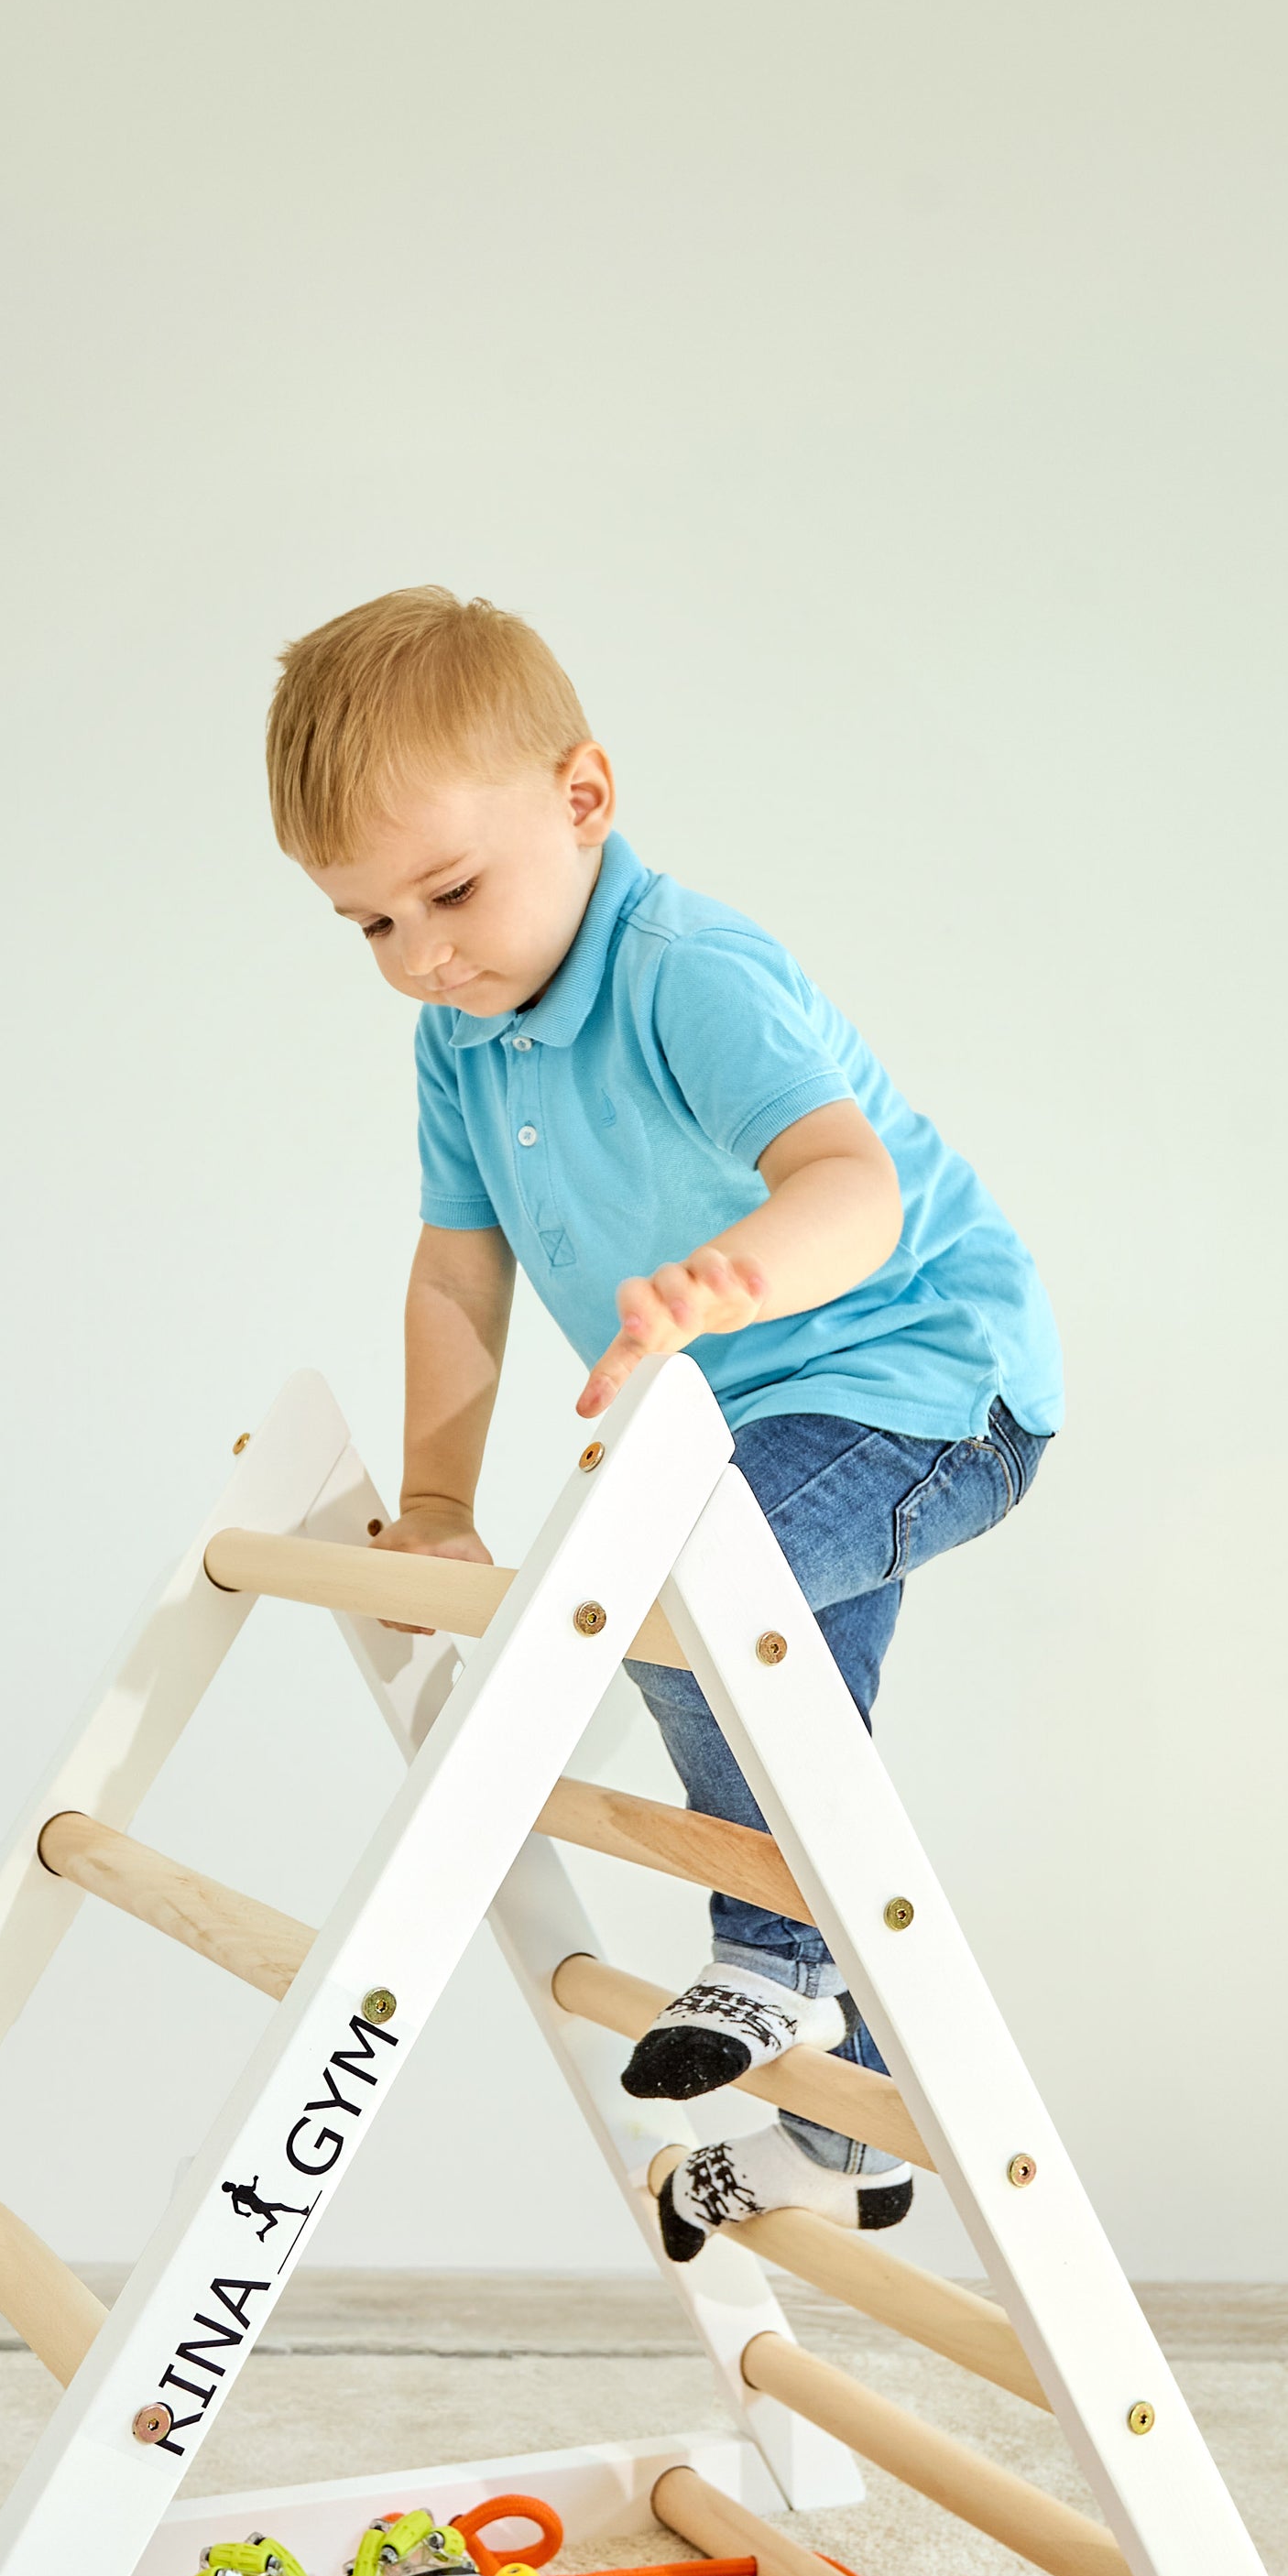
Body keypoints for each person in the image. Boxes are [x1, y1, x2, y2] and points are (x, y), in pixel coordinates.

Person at [266, 587, 1061, 2256]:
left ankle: (773, 1967)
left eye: (453, 893)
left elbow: (851, 1182)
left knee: (671, 1586)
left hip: (928, 1384)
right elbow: (453, 1274)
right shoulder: (459, 1041)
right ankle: (840, 2125)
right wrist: (431, 1495)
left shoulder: (688, 971)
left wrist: (724, 1286)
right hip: (738, 1427)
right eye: (371, 926)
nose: (423, 957)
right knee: (771, 1686)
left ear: (583, 797)